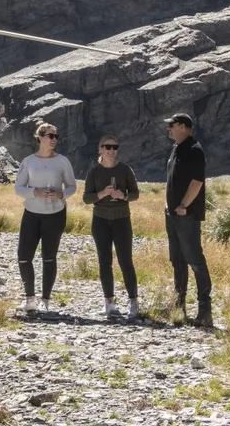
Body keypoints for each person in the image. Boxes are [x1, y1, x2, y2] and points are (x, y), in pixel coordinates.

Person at [12, 120, 77, 313]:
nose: (54, 139)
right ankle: (29, 298)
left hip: (55, 214)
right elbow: (18, 188)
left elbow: (72, 186)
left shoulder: (63, 161)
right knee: (24, 256)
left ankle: (45, 301)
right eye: (50, 136)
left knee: (49, 257)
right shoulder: (29, 161)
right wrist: (35, 192)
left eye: (56, 136)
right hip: (31, 213)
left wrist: (61, 195)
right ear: (39, 138)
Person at [82, 133, 140, 319]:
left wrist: (122, 196)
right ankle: (109, 302)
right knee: (104, 262)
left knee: (125, 261)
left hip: (122, 219)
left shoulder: (125, 170)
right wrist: (101, 194)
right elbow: (86, 198)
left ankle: (133, 301)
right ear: (100, 149)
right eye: (108, 147)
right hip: (100, 220)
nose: (112, 151)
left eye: (115, 147)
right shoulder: (94, 172)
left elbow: (135, 194)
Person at [164, 111, 212, 327]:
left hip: (187, 216)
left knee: (195, 260)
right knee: (177, 260)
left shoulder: (194, 150)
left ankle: (205, 311)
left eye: (172, 125)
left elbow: (197, 181)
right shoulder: (176, 149)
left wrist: (183, 206)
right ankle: (179, 305)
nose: (169, 129)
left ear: (183, 126)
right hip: (172, 215)